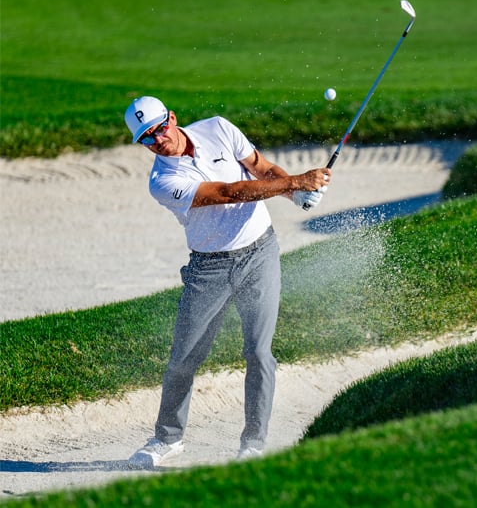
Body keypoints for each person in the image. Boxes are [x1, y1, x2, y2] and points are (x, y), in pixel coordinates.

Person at [123, 96, 331, 467]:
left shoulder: (218, 127)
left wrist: (295, 192)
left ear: (172, 117)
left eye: (159, 129)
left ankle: (253, 443)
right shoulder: (162, 179)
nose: (158, 140)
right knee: (184, 358)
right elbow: (226, 193)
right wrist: (297, 180)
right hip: (209, 269)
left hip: (260, 252)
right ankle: (167, 439)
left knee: (258, 351)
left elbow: (261, 168)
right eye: (147, 138)